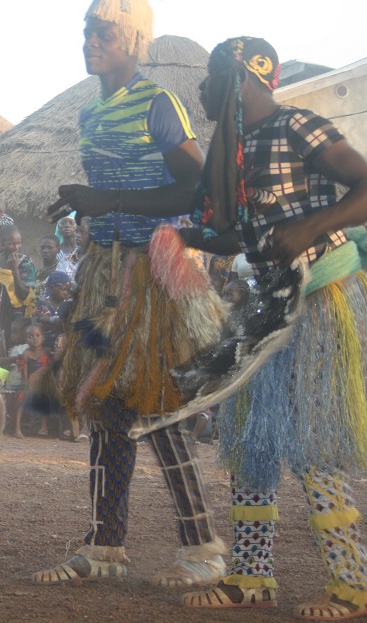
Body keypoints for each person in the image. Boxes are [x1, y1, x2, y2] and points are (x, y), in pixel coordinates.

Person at [35, 0, 228, 588]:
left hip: (155, 272)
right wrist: (86, 201)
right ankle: (104, 545)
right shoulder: (91, 115)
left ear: (134, 41)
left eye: (104, 32)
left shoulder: (158, 105)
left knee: (159, 403)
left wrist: (108, 203)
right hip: (105, 269)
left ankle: (202, 548)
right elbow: (110, 190)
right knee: (106, 407)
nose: (91, 40)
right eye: (88, 31)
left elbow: (198, 190)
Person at [178, 38, 367, 619]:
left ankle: (351, 584)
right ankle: (252, 576)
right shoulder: (232, 148)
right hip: (271, 302)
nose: (202, 91)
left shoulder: (298, 126)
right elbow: (244, 238)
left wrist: (315, 225)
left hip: (322, 295)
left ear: (236, 76)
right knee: (250, 440)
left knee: (313, 439)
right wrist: (186, 241)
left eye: (208, 79)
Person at [0, 225, 36, 320]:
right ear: (2, 243)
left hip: (18, 314)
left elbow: (24, 295)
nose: (16, 247)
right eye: (11, 244)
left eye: (19, 243)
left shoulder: (26, 263)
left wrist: (14, 270)